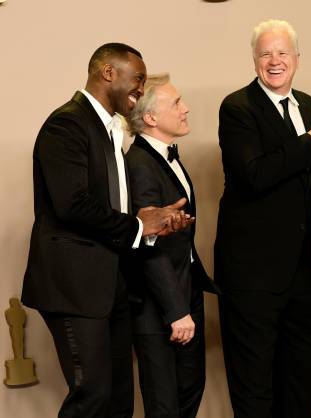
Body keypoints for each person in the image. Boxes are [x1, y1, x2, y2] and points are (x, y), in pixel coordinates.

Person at [21, 43, 189, 418]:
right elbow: (72, 204)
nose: (141, 89)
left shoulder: (109, 128)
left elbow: (108, 206)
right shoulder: (67, 124)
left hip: (111, 284)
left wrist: (149, 220)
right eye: (138, 79)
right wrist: (137, 224)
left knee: (118, 401)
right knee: (92, 398)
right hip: (74, 287)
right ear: (108, 73)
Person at [214, 19, 311, 418]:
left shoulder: (310, 107)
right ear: (254, 60)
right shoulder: (237, 107)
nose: (274, 61)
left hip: (301, 271)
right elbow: (255, 174)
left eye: (282, 53)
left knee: (305, 372)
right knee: (255, 384)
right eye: (265, 54)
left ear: (297, 59)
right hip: (252, 274)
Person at [126, 73, 220, 418]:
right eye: (176, 103)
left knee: (188, 392)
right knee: (165, 404)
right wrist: (176, 310)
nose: (186, 108)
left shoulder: (165, 157)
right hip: (159, 305)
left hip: (184, 289)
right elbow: (148, 244)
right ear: (151, 117)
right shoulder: (139, 165)